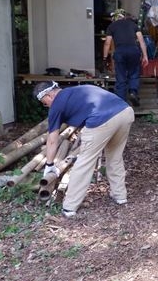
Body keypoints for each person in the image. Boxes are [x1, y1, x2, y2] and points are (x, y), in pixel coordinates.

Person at [33, 81, 135, 218]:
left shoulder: (56, 105)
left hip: (101, 120)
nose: (46, 106)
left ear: (48, 95)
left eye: (44, 103)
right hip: (125, 112)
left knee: (84, 163)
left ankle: (69, 206)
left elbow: (52, 140)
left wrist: (49, 164)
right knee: (115, 157)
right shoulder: (78, 90)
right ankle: (120, 195)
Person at [102, 8, 149, 106]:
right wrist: (145, 56)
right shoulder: (133, 25)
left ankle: (121, 103)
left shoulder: (112, 26)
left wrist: (105, 58)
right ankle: (133, 92)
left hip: (120, 52)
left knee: (121, 76)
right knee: (134, 73)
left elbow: (107, 43)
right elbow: (141, 41)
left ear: (116, 17)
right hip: (133, 51)